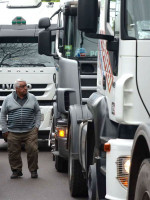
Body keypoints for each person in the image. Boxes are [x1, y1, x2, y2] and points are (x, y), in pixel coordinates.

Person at [1, 79, 41, 179]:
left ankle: (33, 170)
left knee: (33, 150)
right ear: (16, 88)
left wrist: (37, 126)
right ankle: (16, 171)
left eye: (26, 86)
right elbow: (2, 114)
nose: (25, 88)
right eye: (23, 86)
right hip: (13, 131)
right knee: (13, 152)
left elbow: (38, 112)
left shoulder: (32, 98)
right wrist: (4, 129)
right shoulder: (8, 99)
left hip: (30, 131)